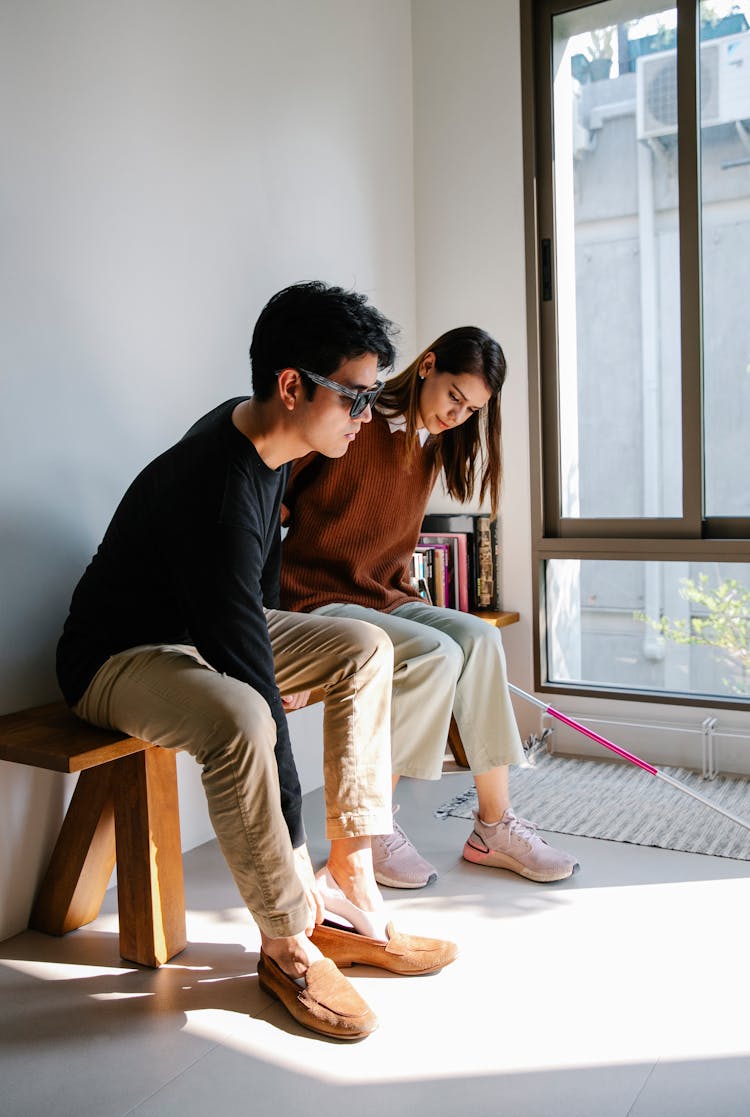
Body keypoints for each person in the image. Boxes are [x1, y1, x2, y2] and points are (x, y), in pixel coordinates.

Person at [56, 282, 456, 1043]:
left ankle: (354, 888)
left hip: (198, 627)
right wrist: (291, 841)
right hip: (119, 656)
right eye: (356, 398)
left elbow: (259, 590)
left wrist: (279, 651)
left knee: (364, 643)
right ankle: (286, 940)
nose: (366, 416)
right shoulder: (214, 486)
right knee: (243, 714)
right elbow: (248, 683)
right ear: (291, 385)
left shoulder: (278, 442)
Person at [280, 325, 579, 890]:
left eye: (472, 410)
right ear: (427, 366)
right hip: (313, 599)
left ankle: (493, 825)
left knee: (481, 639)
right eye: (454, 397)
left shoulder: (431, 444)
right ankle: (373, 831)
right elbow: (267, 513)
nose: (458, 416)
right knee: (434, 653)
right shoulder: (352, 419)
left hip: (383, 596)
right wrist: (271, 635)